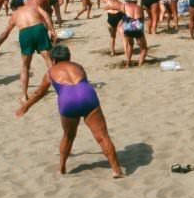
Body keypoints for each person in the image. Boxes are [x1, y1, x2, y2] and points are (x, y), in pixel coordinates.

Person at [16, 44, 123, 179]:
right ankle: (116, 170)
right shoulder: (78, 66)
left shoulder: (50, 72)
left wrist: (25, 106)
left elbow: (39, 93)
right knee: (102, 136)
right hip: (87, 95)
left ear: (53, 60)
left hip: (68, 100)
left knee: (68, 136)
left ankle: (62, 168)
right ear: (69, 57)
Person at [0, 0, 57, 100]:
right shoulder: (34, 7)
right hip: (39, 28)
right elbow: (46, 15)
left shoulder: (14, 15)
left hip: (25, 33)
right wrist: (52, 30)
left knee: (25, 66)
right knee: (49, 60)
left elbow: (5, 33)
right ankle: (59, 89)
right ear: (23, 3)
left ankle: (24, 95)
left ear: (13, 8)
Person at [119, 0, 148, 67]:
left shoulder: (124, 6)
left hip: (128, 28)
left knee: (130, 45)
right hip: (137, 27)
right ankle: (140, 64)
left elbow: (123, 16)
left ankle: (128, 63)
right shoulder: (139, 7)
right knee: (143, 48)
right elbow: (142, 19)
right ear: (135, 1)